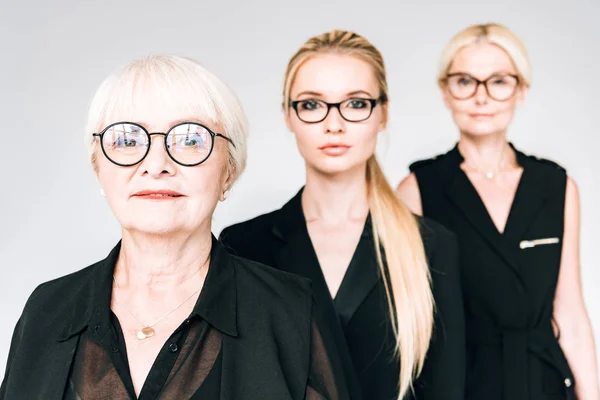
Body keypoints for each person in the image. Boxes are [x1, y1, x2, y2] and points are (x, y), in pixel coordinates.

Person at [0, 54, 346, 399]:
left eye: (190, 139)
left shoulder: (294, 311)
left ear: (228, 171)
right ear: (98, 169)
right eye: (128, 140)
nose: (156, 164)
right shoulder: (46, 309)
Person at [220, 30, 465, 400]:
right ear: (289, 115)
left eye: (355, 103)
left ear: (382, 114)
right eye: (312, 104)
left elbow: (447, 391)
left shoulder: (431, 246)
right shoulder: (242, 246)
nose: (334, 124)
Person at [396, 23, 600, 400]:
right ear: (445, 91)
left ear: (520, 91)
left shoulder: (557, 186)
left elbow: (570, 316)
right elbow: (412, 324)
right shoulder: (417, 189)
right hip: (462, 384)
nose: (481, 97)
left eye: (499, 81)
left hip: (543, 383)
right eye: (465, 81)